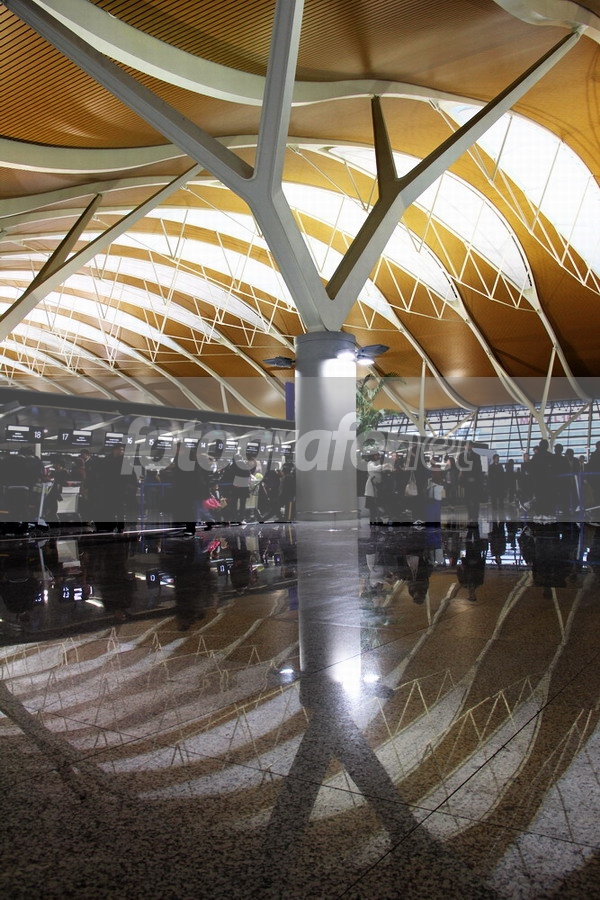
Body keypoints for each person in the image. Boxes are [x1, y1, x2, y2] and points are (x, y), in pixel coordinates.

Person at [528, 438, 557, 518]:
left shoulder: (536, 456)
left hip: (538, 481)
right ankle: (548, 513)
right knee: (548, 497)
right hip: (548, 481)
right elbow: (554, 469)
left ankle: (539, 513)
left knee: (539, 497)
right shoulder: (550, 456)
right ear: (547, 446)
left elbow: (531, 468)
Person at [456, 441, 483, 524]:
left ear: (471, 446)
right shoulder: (461, 456)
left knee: (475, 499)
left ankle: (475, 514)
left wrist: (476, 478)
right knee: (466, 499)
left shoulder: (476, 456)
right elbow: (459, 467)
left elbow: (478, 468)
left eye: (469, 446)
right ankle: (471, 512)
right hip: (466, 481)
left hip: (475, 481)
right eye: (466, 446)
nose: (467, 447)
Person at [43, 457, 69, 523]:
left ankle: (49, 511)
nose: (53, 465)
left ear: (58, 465)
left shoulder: (63, 472)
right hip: (53, 490)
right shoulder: (54, 472)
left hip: (55, 490)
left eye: (55, 464)